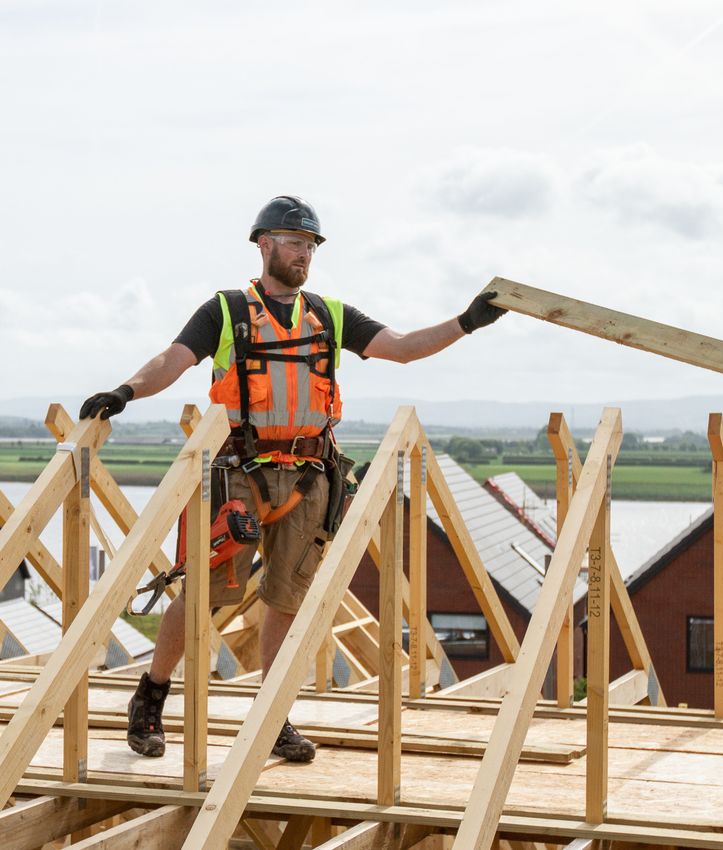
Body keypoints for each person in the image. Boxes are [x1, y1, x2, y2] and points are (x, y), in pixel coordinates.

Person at [80, 195, 506, 763]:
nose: (304, 253)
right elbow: (175, 358)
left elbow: (402, 349)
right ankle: (151, 698)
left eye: (310, 245)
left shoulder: (330, 316)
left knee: (286, 599)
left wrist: (466, 322)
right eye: (293, 242)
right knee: (204, 592)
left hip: (310, 477)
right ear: (264, 245)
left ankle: (273, 717)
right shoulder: (227, 311)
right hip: (238, 475)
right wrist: (126, 391)